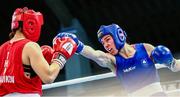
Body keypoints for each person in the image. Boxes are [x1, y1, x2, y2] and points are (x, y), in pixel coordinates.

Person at [56, 23, 180, 97]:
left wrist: (172, 62)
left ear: (119, 35)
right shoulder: (112, 61)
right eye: (103, 42)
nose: (106, 45)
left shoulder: (145, 48)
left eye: (107, 39)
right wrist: (77, 44)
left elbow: (175, 67)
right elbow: (95, 54)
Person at [0, 7, 78, 97]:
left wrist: (33, 71)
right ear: (31, 24)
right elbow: (49, 77)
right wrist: (61, 56)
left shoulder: (1, 48)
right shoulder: (30, 46)